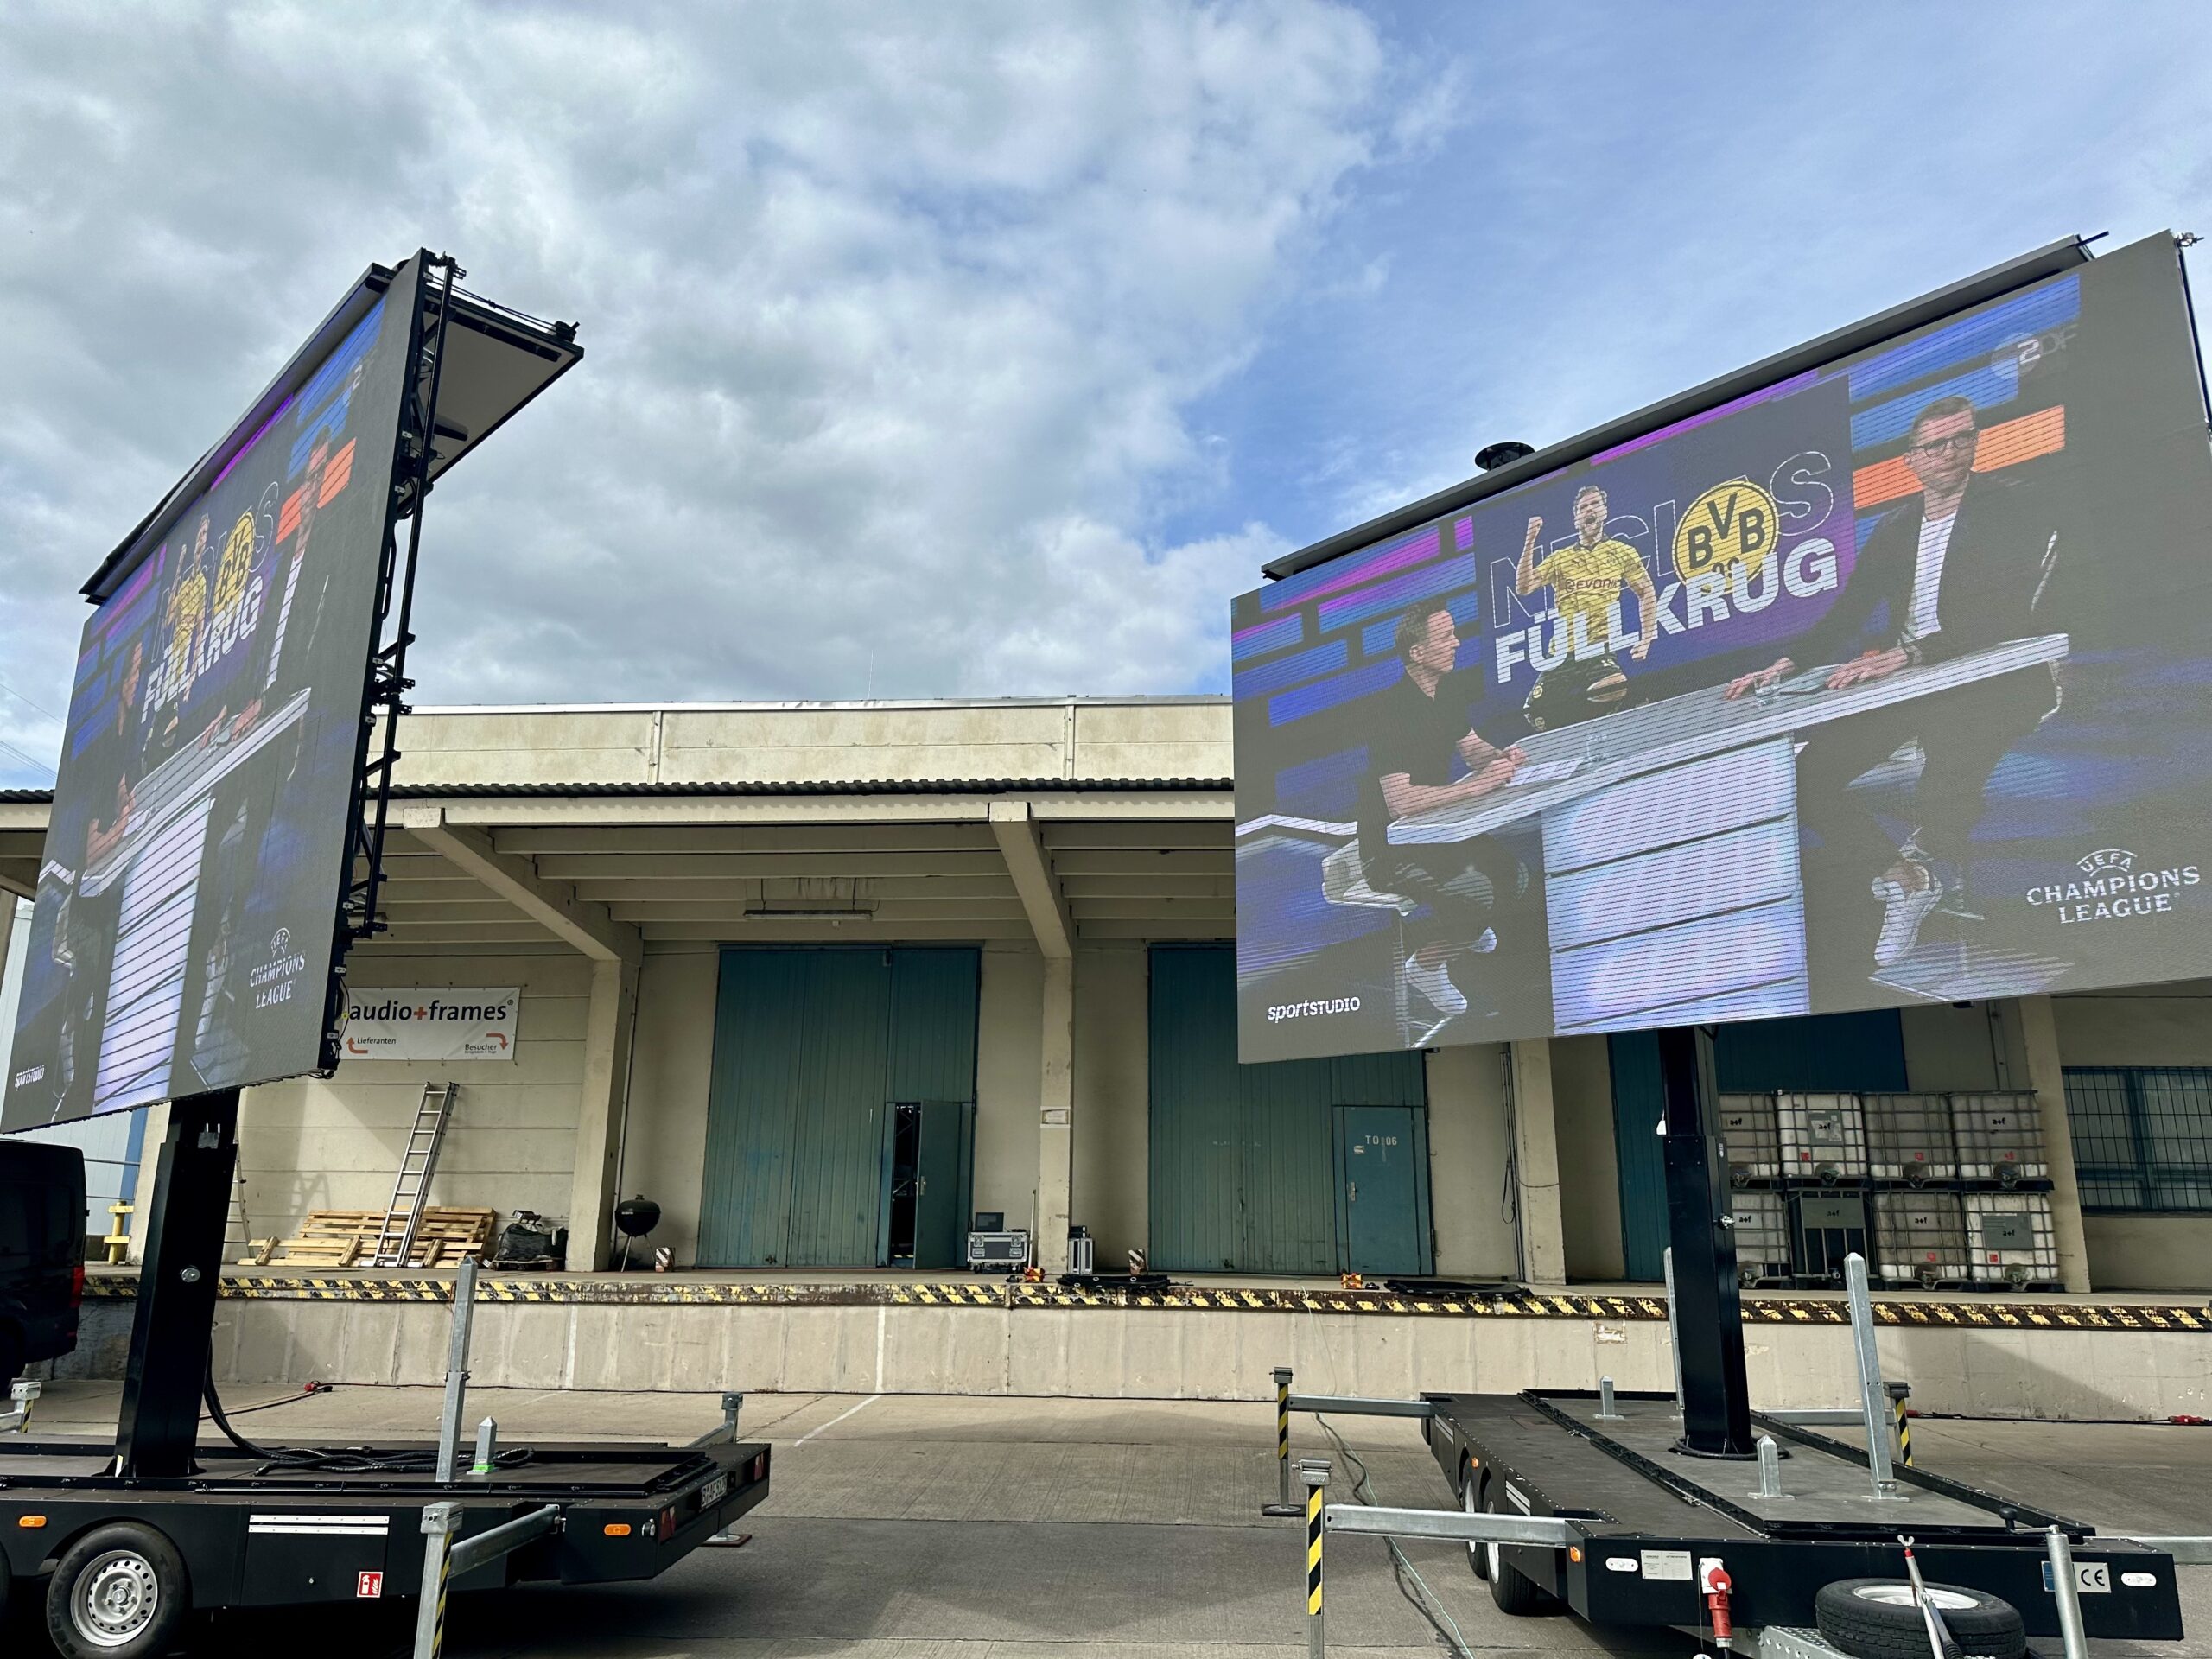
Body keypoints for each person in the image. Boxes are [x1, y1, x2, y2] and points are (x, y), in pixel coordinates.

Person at [1723, 394, 2061, 989]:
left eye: (1962, 438)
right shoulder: (1898, 525)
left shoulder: (2010, 505)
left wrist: (1912, 654)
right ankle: (1908, 879)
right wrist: (1785, 663)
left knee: (1949, 765)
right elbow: (1850, 609)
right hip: (1913, 682)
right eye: (1936, 444)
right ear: (1912, 459)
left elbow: (2009, 612)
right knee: (1803, 777)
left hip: (1993, 677)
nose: (1951, 451)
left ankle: (1939, 873)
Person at [1357, 601, 1529, 1019]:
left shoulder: (1445, 692)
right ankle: (1426, 966)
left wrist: (1499, 757)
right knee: (1476, 896)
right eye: (1446, 636)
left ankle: (1467, 929)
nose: (1457, 643)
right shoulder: (1390, 712)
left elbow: (1471, 747)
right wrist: (1475, 788)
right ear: (1417, 653)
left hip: (1435, 830)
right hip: (1390, 849)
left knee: (1513, 875)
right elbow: (1400, 801)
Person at [1516, 483, 1659, 730]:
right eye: (1583, 507)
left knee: (1616, 685)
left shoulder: (1622, 552)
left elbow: (1646, 591)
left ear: (1605, 512)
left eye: (1595, 504)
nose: (1589, 509)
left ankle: (1604, 717)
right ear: (1576, 519)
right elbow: (1524, 587)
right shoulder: (1560, 558)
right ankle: (1586, 727)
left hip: (1597, 647)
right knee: (1535, 714)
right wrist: (1530, 541)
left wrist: (1646, 639)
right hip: (1562, 652)